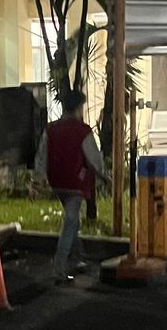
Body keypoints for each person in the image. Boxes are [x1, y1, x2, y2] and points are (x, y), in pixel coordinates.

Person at [34, 89, 110, 282]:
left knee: (73, 219)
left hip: (56, 182)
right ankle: (59, 268)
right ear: (78, 107)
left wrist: (38, 180)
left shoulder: (50, 129)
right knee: (70, 222)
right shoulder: (83, 131)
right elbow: (94, 160)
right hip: (76, 182)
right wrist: (105, 176)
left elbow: (41, 157)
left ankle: (77, 258)